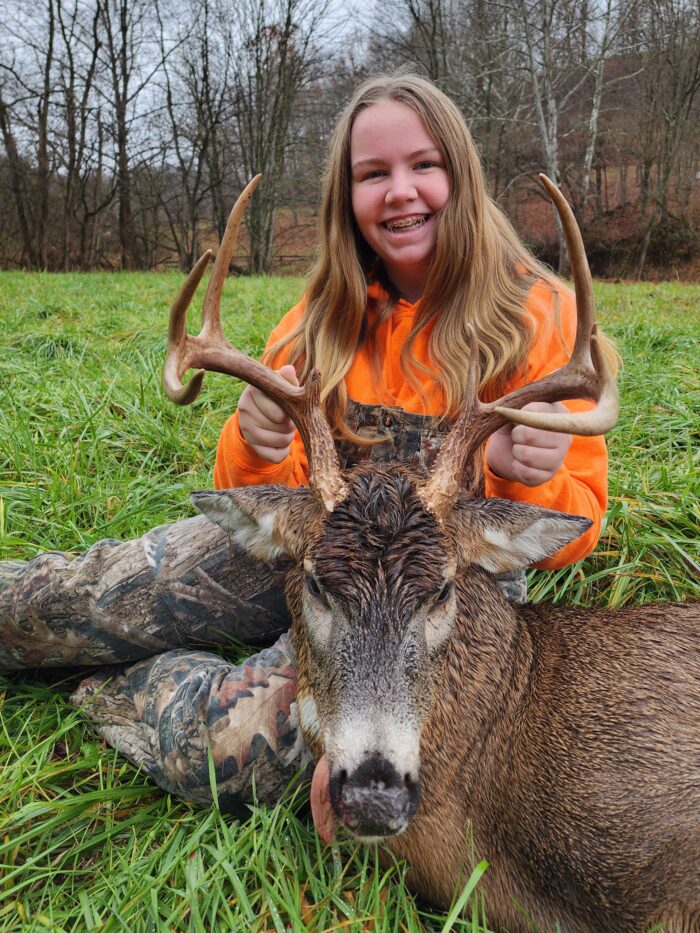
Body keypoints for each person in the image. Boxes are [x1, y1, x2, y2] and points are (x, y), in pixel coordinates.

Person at [0, 72, 613, 812]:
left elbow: (574, 525)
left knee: (229, 756)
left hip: (428, 593)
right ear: (346, 197)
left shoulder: (543, 320)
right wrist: (255, 443)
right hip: (311, 536)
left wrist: (532, 478)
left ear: (461, 174)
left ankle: (93, 679)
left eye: (425, 165)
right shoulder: (317, 321)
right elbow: (257, 485)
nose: (400, 191)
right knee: (80, 596)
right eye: (372, 174)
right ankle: (51, 629)